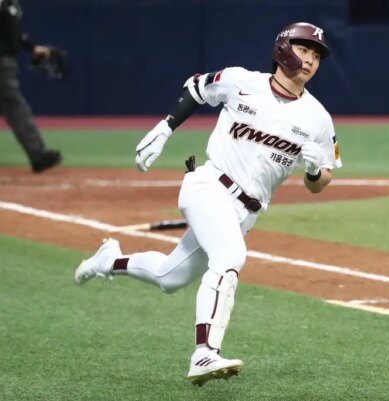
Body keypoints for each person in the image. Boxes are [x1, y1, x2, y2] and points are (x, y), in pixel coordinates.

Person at [73, 22, 342, 386]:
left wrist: (312, 171)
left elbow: (321, 182)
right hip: (207, 187)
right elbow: (197, 89)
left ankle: (110, 261)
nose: (310, 60)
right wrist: (165, 128)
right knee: (230, 257)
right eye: (304, 49)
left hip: (245, 213)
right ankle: (204, 353)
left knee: (171, 276)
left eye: (316, 55)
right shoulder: (242, 81)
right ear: (283, 49)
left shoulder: (319, 119)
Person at [0, 0, 61, 172]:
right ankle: (38, 155)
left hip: (7, 62)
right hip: (2, 63)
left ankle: (38, 155)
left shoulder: (12, 5)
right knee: (16, 107)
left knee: (15, 108)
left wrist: (32, 47)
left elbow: (15, 35)